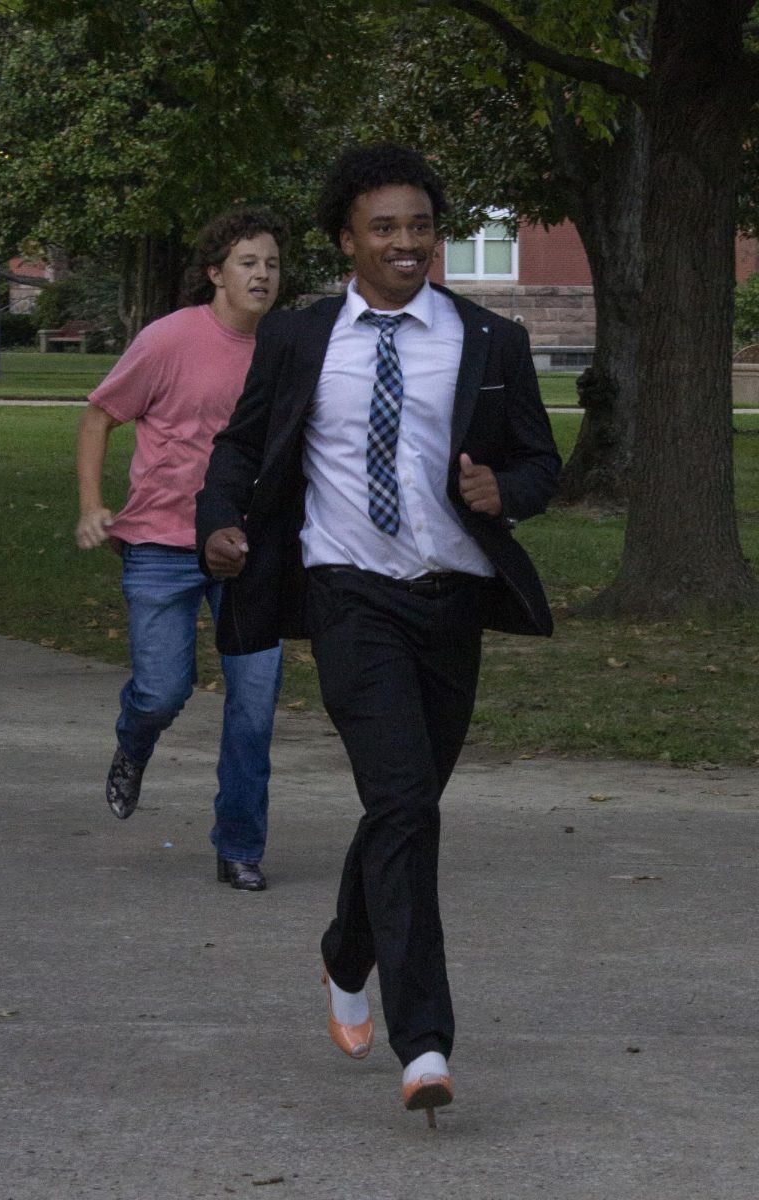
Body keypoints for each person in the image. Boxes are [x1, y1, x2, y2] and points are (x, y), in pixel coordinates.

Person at [195, 145, 561, 1117]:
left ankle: (343, 949)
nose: (406, 243)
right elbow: (238, 449)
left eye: (419, 226)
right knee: (404, 804)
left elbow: (538, 461)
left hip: (450, 598)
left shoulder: (487, 340)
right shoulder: (300, 339)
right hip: (348, 594)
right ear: (346, 240)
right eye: (384, 228)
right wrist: (220, 528)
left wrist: (504, 490)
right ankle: (425, 1044)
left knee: (403, 808)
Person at [75, 207, 287, 892]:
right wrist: (91, 507)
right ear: (215, 273)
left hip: (249, 550)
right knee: (162, 691)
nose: (262, 273)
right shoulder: (168, 340)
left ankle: (240, 845)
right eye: (248, 262)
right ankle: (133, 742)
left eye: (272, 263)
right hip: (162, 544)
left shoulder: (287, 349)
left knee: (254, 708)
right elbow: (100, 416)